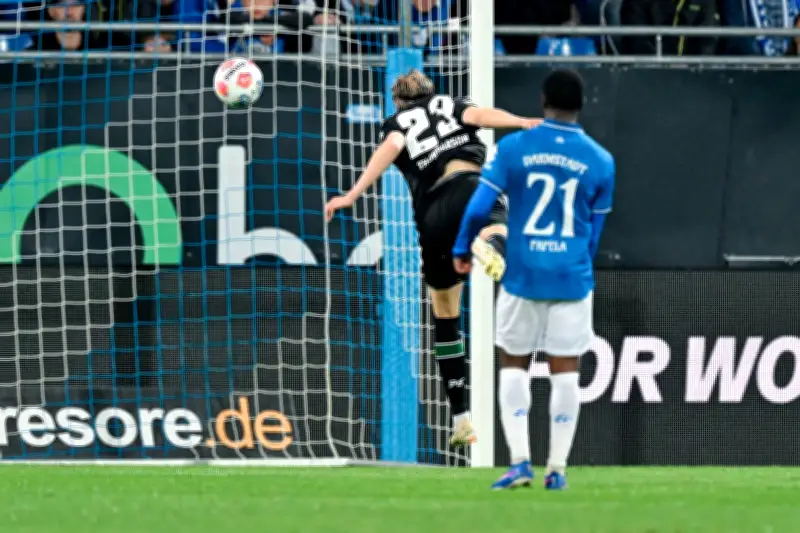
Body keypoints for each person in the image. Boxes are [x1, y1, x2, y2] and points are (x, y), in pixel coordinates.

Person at [325, 69, 540, 448]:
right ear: (431, 92)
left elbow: (391, 146)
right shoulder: (450, 104)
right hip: (470, 186)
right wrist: (521, 121)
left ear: (397, 102)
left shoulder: (396, 122)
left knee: (444, 313)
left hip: (432, 213)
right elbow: (481, 116)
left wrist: (352, 194)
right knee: (497, 217)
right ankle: (488, 242)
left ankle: (460, 418)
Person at [452, 69, 614, 490]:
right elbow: (594, 235)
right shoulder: (601, 160)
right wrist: (574, 263)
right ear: (581, 105)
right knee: (565, 370)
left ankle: (520, 463)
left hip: (522, 275)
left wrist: (462, 247)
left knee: (513, 362)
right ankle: (556, 469)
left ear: (543, 100)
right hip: (571, 277)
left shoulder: (513, 147)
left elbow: (479, 207)